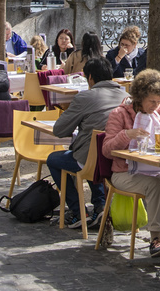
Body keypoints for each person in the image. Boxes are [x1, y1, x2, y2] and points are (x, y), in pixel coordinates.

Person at [103, 69, 160, 257]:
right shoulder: (120, 114)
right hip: (125, 171)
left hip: (155, 168)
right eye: (152, 102)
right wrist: (126, 135)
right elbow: (107, 149)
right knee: (155, 184)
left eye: (159, 101)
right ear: (139, 97)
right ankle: (155, 237)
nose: (156, 106)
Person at [49, 57, 127, 229]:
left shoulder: (85, 97)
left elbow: (59, 130)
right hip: (118, 159)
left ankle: (78, 210)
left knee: (55, 159)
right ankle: (99, 206)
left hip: (93, 160)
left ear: (90, 78)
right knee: (92, 154)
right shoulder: (126, 95)